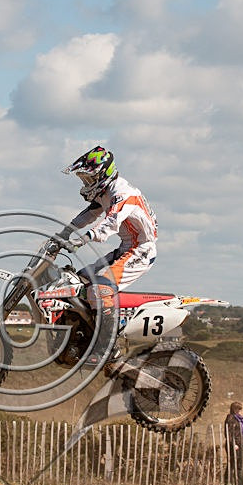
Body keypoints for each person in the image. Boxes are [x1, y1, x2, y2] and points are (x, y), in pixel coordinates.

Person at [59, 146, 158, 375]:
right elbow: (90, 213)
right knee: (78, 280)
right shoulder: (104, 192)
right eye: (83, 178)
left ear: (102, 173)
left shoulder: (122, 193)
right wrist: (64, 233)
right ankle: (85, 337)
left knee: (101, 288)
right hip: (125, 248)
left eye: (88, 178)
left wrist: (83, 240)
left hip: (141, 250)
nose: (85, 183)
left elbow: (111, 223)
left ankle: (109, 349)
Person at [224, 401, 243, 485]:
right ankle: (228, 482)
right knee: (232, 463)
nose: (240, 411)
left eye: (240, 409)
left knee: (239, 464)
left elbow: (242, 433)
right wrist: (233, 444)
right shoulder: (230, 418)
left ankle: (240, 484)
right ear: (234, 409)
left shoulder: (240, 419)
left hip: (240, 443)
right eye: (238, 409)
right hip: (232, 445)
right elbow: (229, 433)